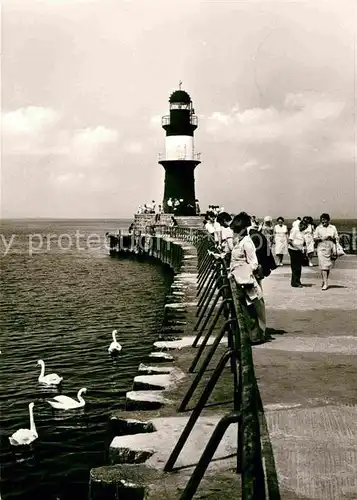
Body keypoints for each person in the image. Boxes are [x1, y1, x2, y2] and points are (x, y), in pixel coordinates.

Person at [228, 212, 267, 344]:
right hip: (238, 278)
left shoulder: (247, 243)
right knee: (243, 308)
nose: (234, 232)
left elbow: (254, 263)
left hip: (245, 280)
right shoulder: (240, 241)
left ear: (243, 229)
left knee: (249, 308)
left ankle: (255, 336)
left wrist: (244, 275)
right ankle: (249, 335)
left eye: (236, 230)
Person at [313, 213, 339, 290]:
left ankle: (324, 281)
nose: (323, 222)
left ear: (328, 220)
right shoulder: (318, 228)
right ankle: (326, 283)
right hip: (321, 247)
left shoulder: (333, 227)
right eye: (322, 220)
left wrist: (332, 238)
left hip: (330, 247)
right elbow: (314, 238)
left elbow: (337, 237)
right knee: (323, 265)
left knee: (327, 266)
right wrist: (322, 238)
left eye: (324, 220)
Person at [288, 219, 308, 288]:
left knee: (299, 267)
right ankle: (294, 282)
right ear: (301, 225)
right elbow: (289, 241)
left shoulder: (302, 231)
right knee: (295, 266)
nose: (304, 229)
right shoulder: (295, 230)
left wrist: (303, 248)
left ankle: (297, 281)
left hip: (299, 250)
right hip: (293, 250)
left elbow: (303, 240)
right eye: (303, 227)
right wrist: (297, 247)